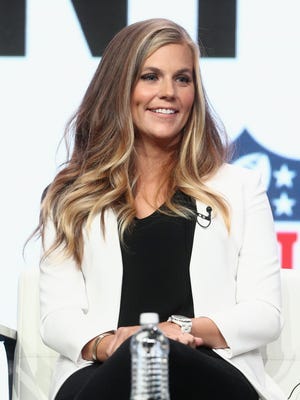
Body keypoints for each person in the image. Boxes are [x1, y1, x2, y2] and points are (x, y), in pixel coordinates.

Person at [37, 18, 285, 400]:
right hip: (101, 371)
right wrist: (111, 344)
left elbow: (264, 313)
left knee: (158, 355)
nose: (168, 92)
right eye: (150, 77)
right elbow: (58, 318)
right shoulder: (70, 196)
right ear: (120, 87)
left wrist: (176, 330)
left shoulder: (238, 187)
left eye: (182, 79)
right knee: (138, 359)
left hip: (209, 368)